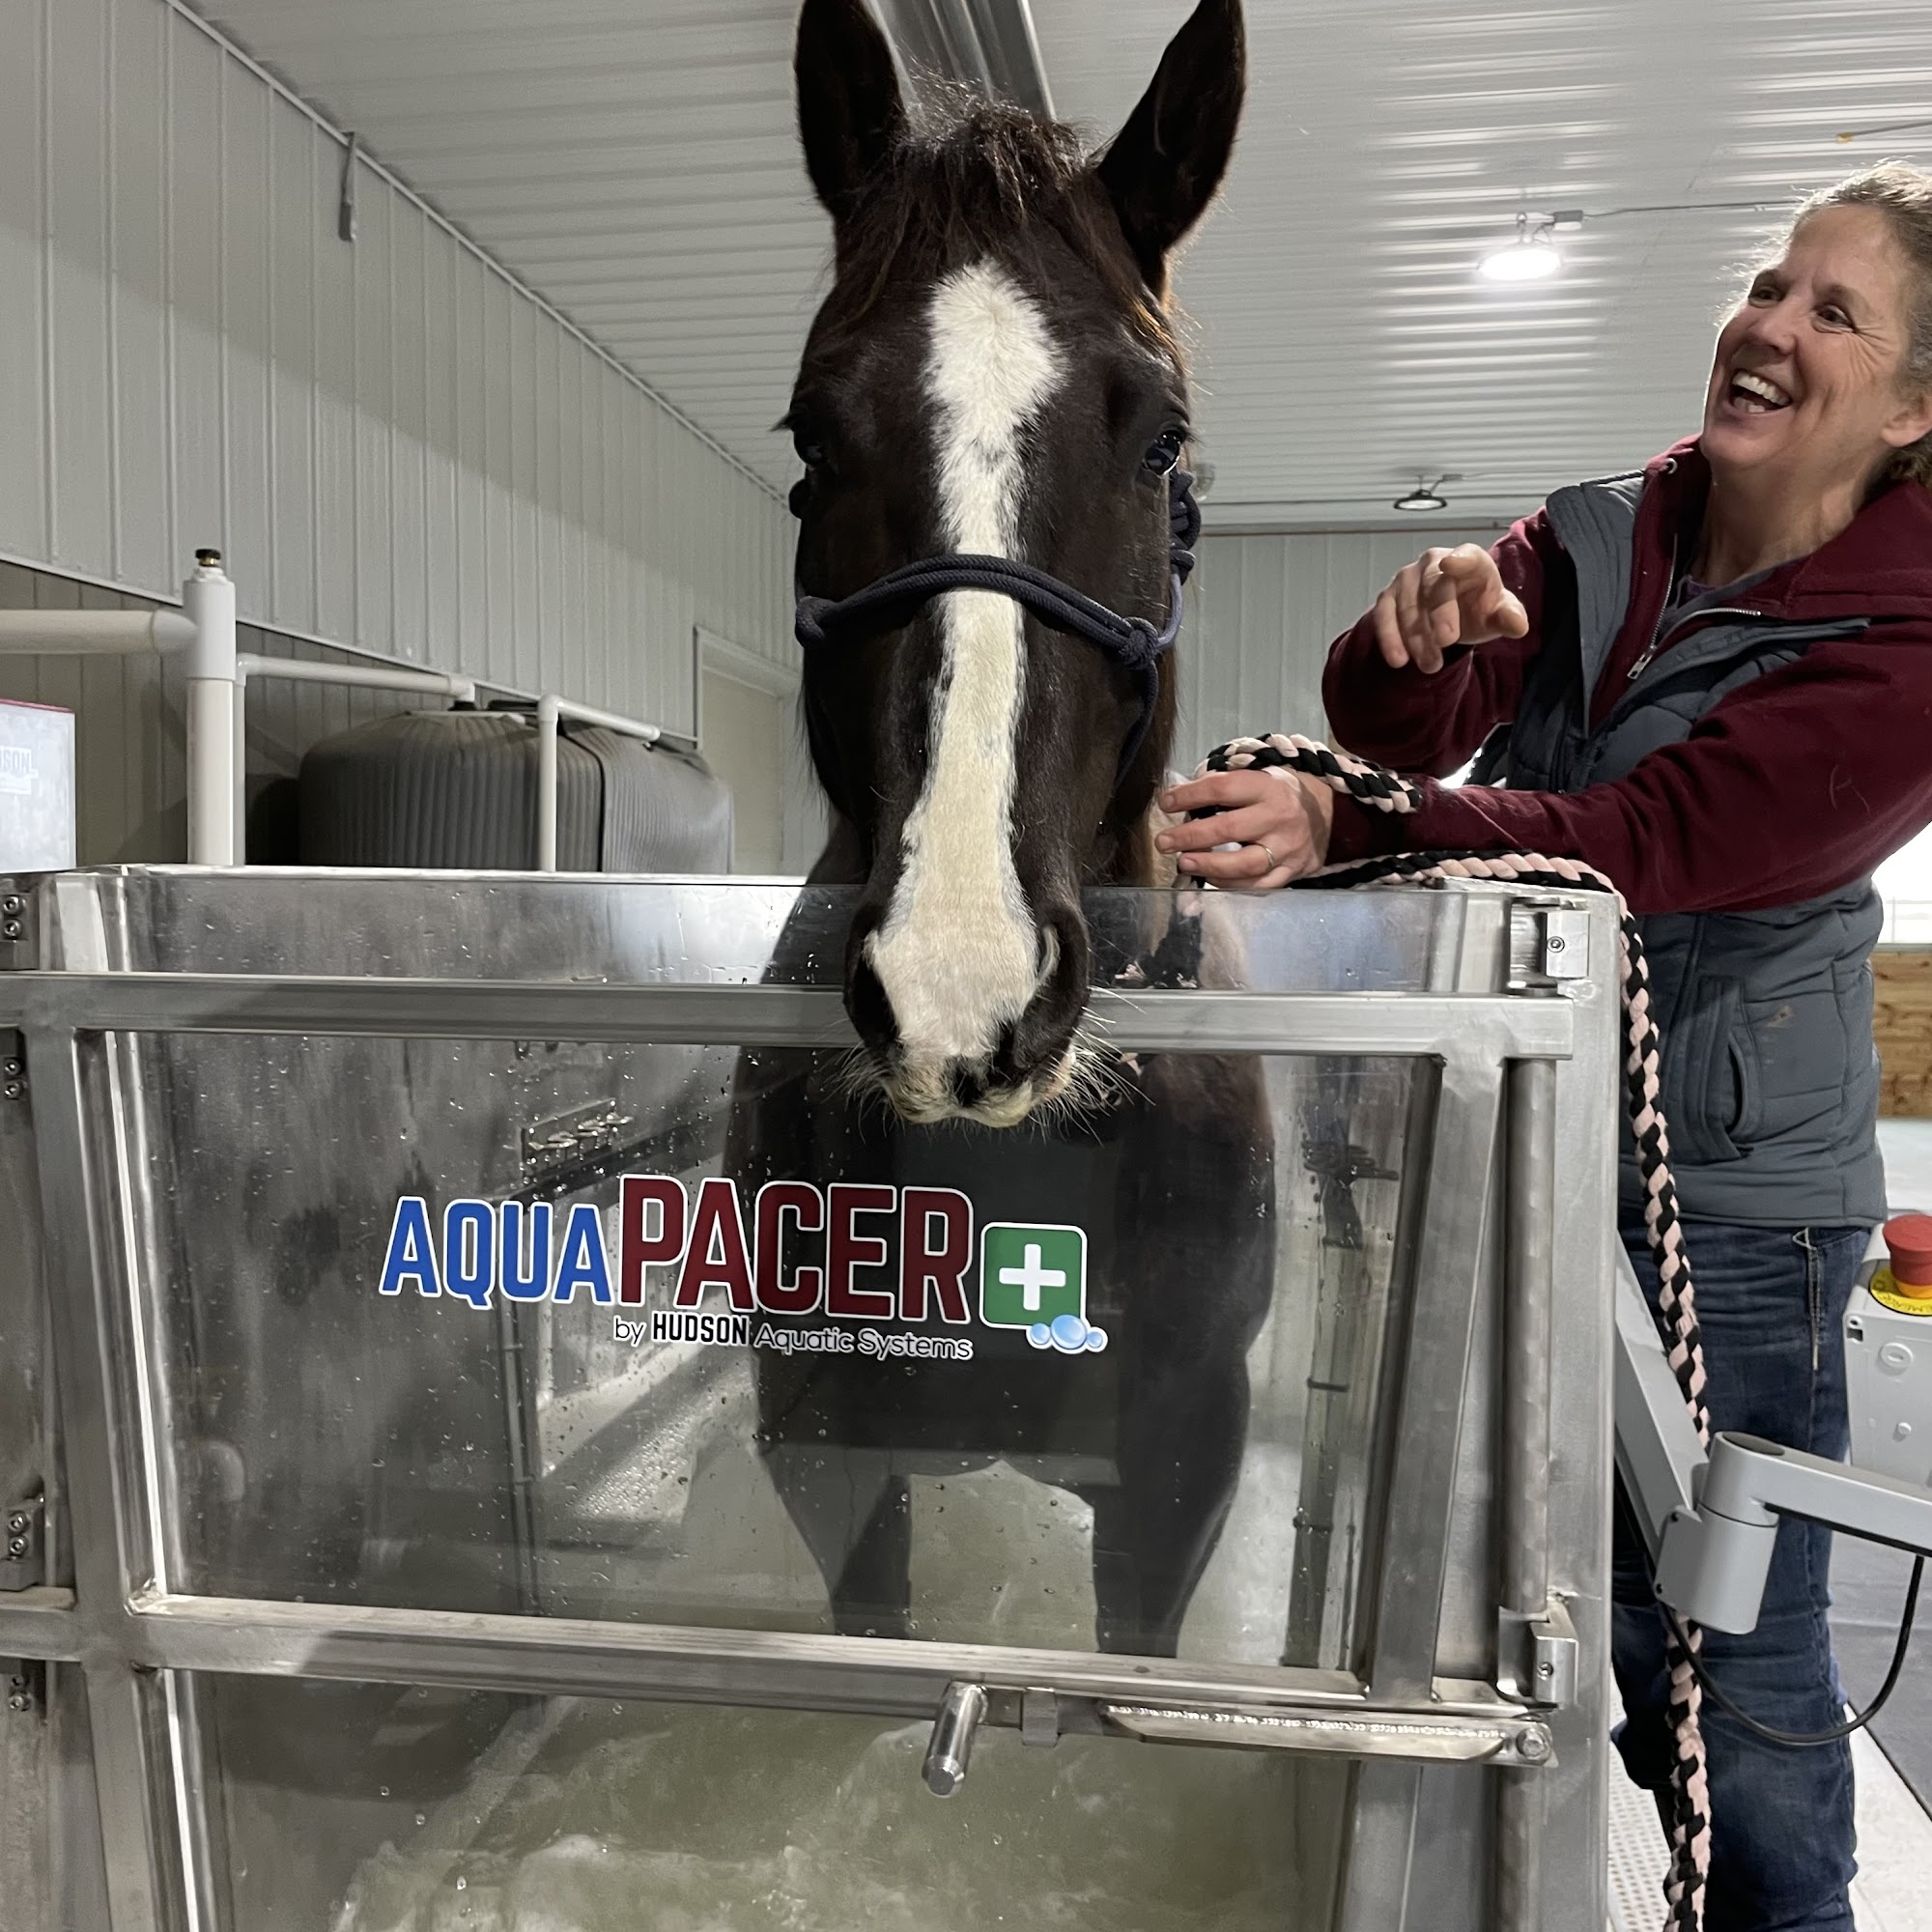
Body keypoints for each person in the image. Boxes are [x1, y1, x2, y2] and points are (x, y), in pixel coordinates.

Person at [1156, 161, 1932, 1932]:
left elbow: (1660, 838)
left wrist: (1358, 831)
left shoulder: (1909, 641)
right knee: (1506, 1560)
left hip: (1725, 1203)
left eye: (1835, 309)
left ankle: (1784, 1910)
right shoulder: (1608, 533)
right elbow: (1397, 713)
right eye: (1766, 283)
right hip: (1518, 1135)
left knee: (1731, 1642)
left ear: (1912, 409)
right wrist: (1416, 638)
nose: (1767, 325)